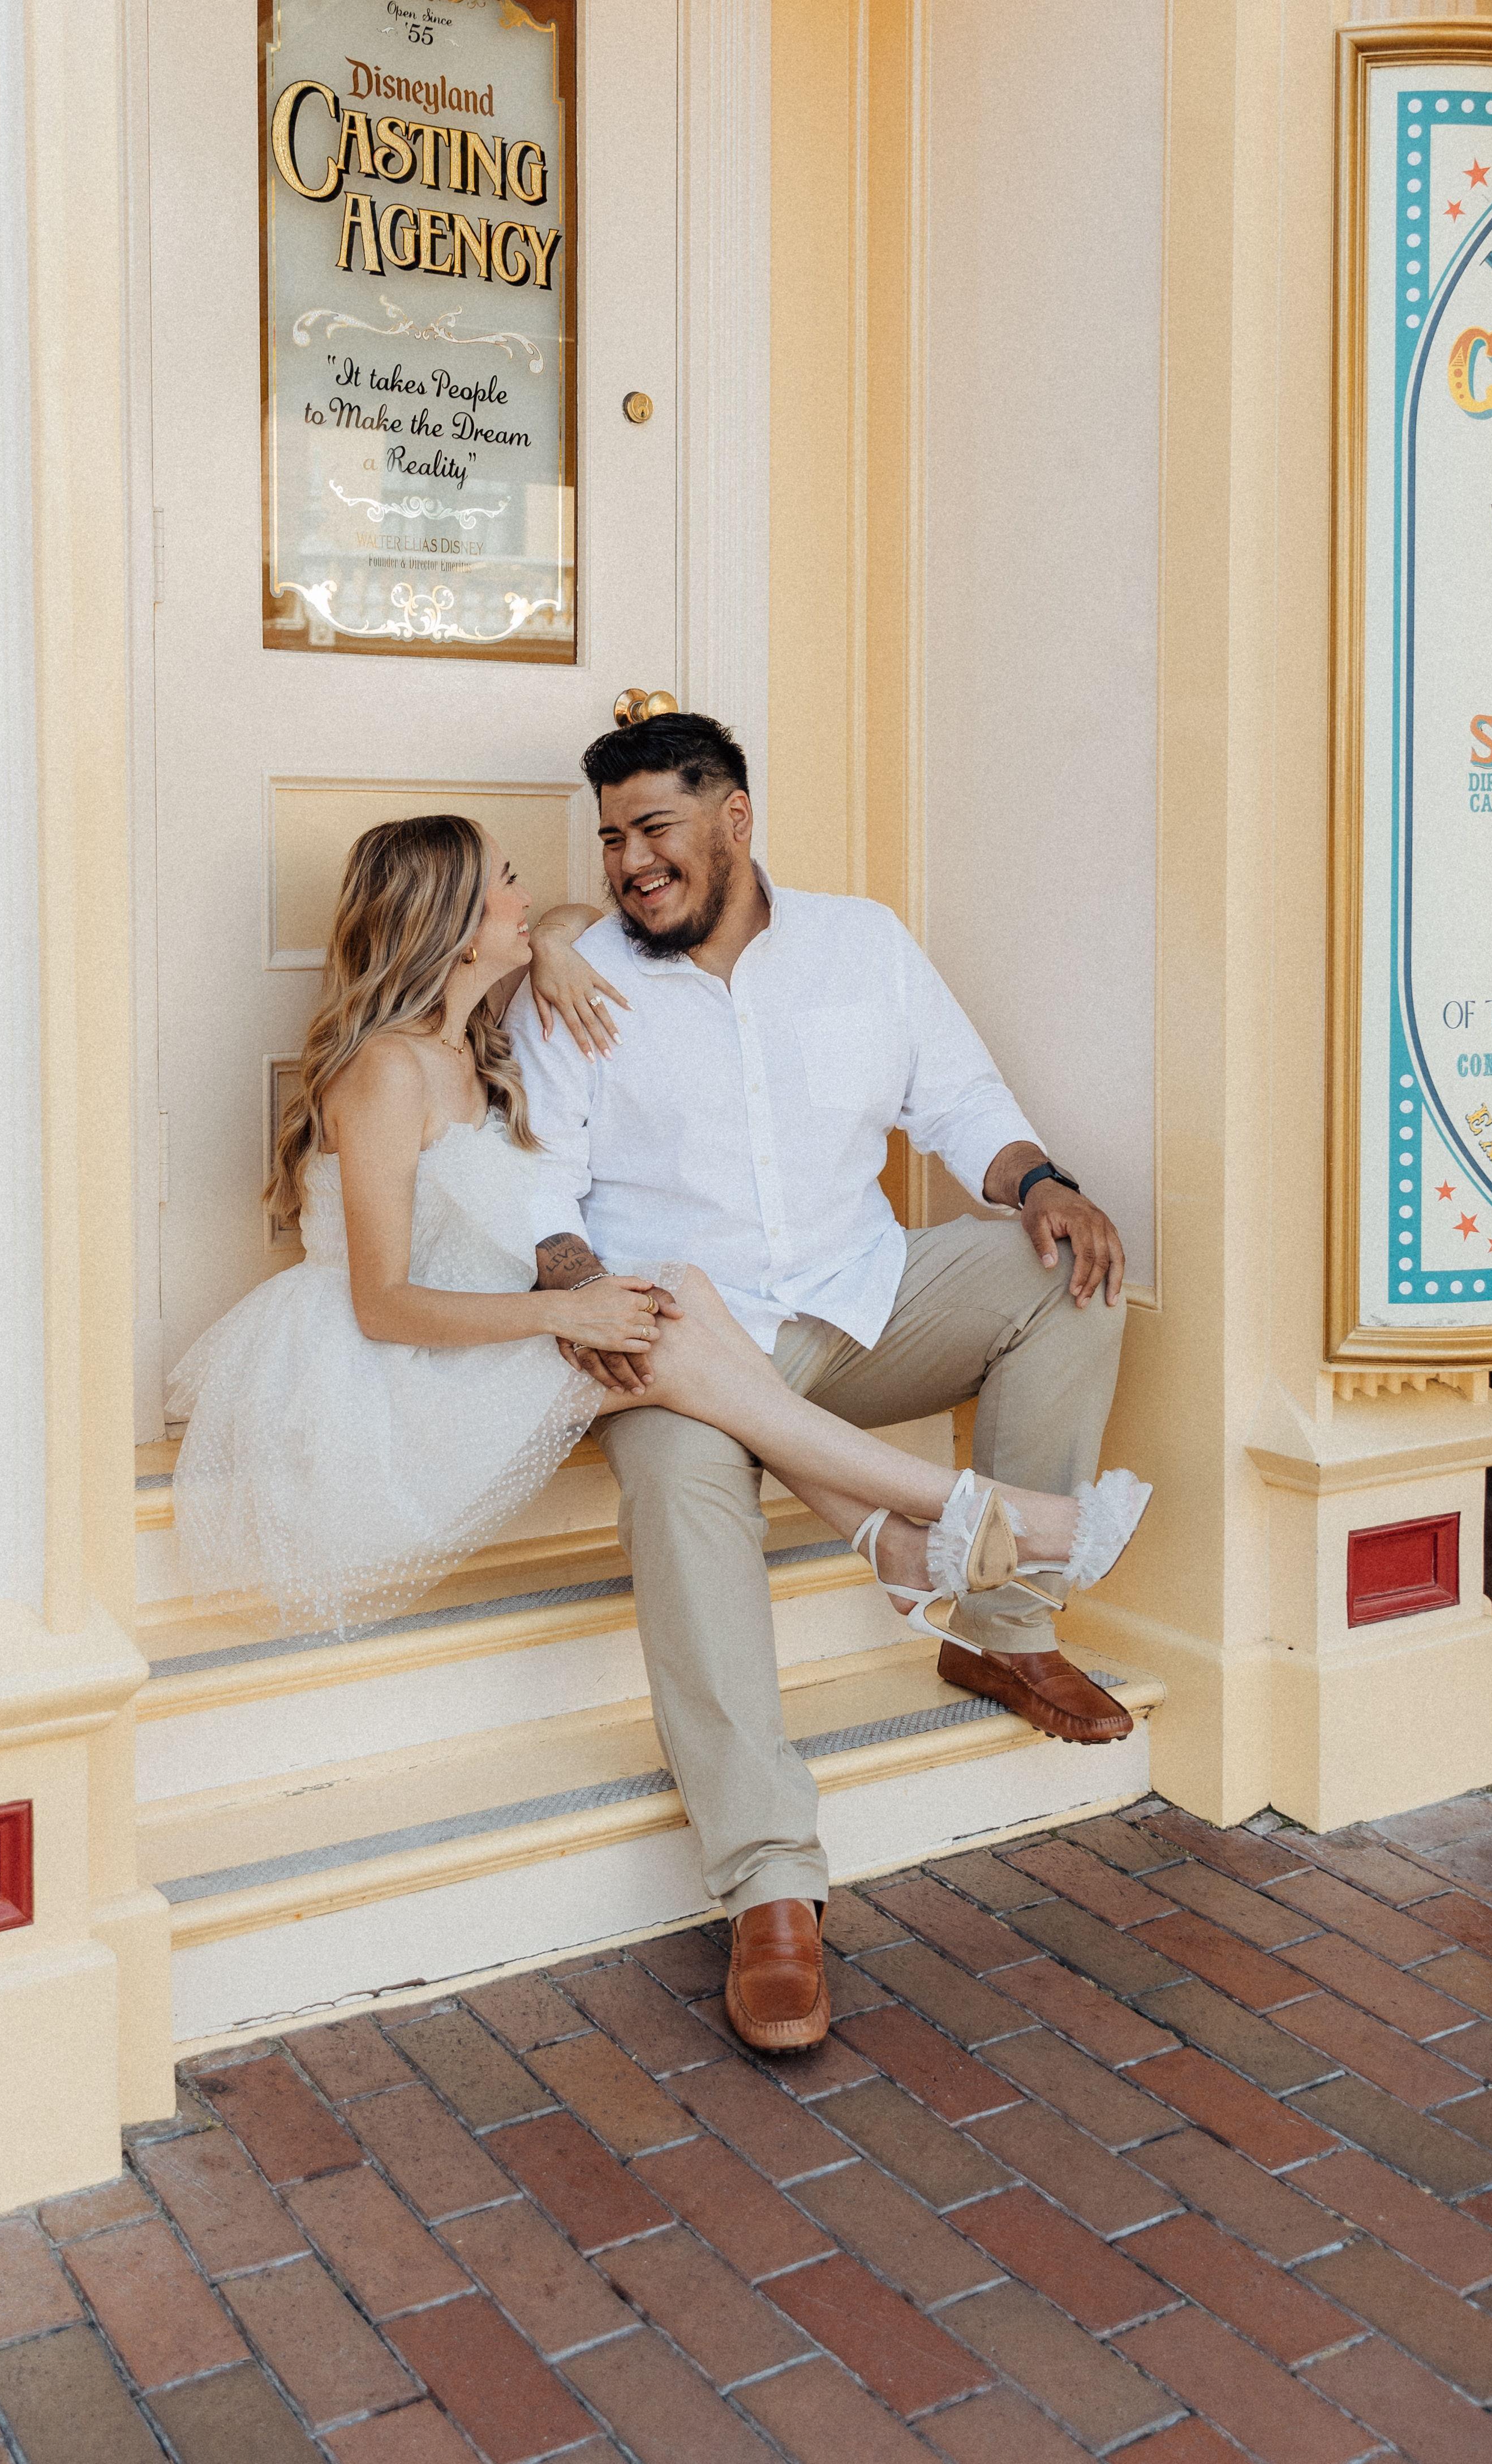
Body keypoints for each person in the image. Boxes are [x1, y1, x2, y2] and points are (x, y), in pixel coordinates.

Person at [168, 812, 1141, 1719]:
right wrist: (565, 1313)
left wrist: (554, 947)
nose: (526, 895)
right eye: (504, 883)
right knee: (671, 1323)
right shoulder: (387, 1069)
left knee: (680, 1300)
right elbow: (381, 1306)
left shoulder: (473, 1035)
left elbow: (570, 919)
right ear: (458, 927)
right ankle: (989, 1518)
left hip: (486, 1337)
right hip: (404, 1375)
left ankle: (899, 1544)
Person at [515, 711, 1151, 2056]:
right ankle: (769, 1883)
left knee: (1070, 1271)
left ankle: (1000, 1626)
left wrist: (1040, 1182)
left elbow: (961, 1101)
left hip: (859, 1300)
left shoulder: (861, 942)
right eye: (611, 838)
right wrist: (573, 1274)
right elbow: (539, 1181)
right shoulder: (574, 985)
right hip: (678, 1348)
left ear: (735, 817)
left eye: (655, 829)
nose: (630, 863)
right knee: (679, 1490)